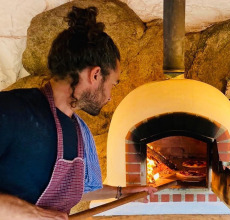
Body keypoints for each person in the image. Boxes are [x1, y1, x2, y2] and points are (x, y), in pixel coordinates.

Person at [0, 6, 156, 220]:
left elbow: (75, 190)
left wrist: (120, 192)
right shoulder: (10, 110)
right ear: (95, 75)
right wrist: (34, 214)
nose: (110, 96)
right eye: (112, 84)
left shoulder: (79, 131)